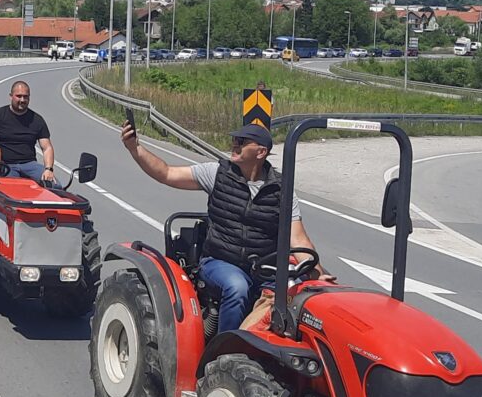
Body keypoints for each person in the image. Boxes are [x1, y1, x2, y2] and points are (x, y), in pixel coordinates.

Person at [120, 119, 332, 335]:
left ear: (260, 152)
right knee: (237, 287)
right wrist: (135, 147)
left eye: (241, 141)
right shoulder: (216, 173)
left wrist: (318, 274)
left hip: (264, 267)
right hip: (220, 261)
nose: (234, 145)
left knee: (297, 293)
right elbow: (166, 173)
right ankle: (225, 356)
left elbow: (298, 240)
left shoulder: (282, 189)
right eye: (234, 140)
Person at [0, 81, 55, 185]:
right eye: (19, 96)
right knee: (12, 189)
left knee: (55, 186)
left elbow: (47, 147)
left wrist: (48, 169)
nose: (22, 100)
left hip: (29, 164)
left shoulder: (37, 120)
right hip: (6, 165)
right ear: (11, 96)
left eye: (25, 97)